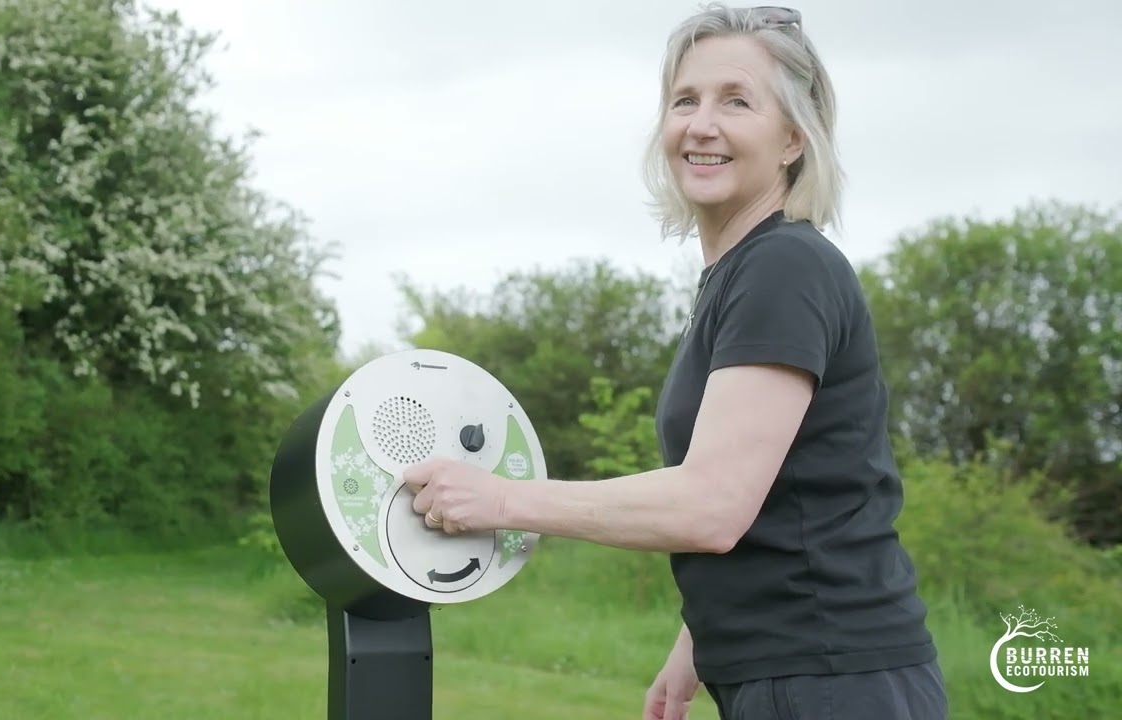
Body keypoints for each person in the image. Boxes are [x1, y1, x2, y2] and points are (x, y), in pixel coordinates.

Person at [401, 4, 948, 719]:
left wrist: (502, 501)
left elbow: (714, 505)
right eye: (685, 99)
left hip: (832, 679)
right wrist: (698, 640)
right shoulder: (743, 274)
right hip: (793, 671)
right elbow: (793, 492)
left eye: (737, 101)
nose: (701, 124)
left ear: (791, 139)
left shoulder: (784, 267)